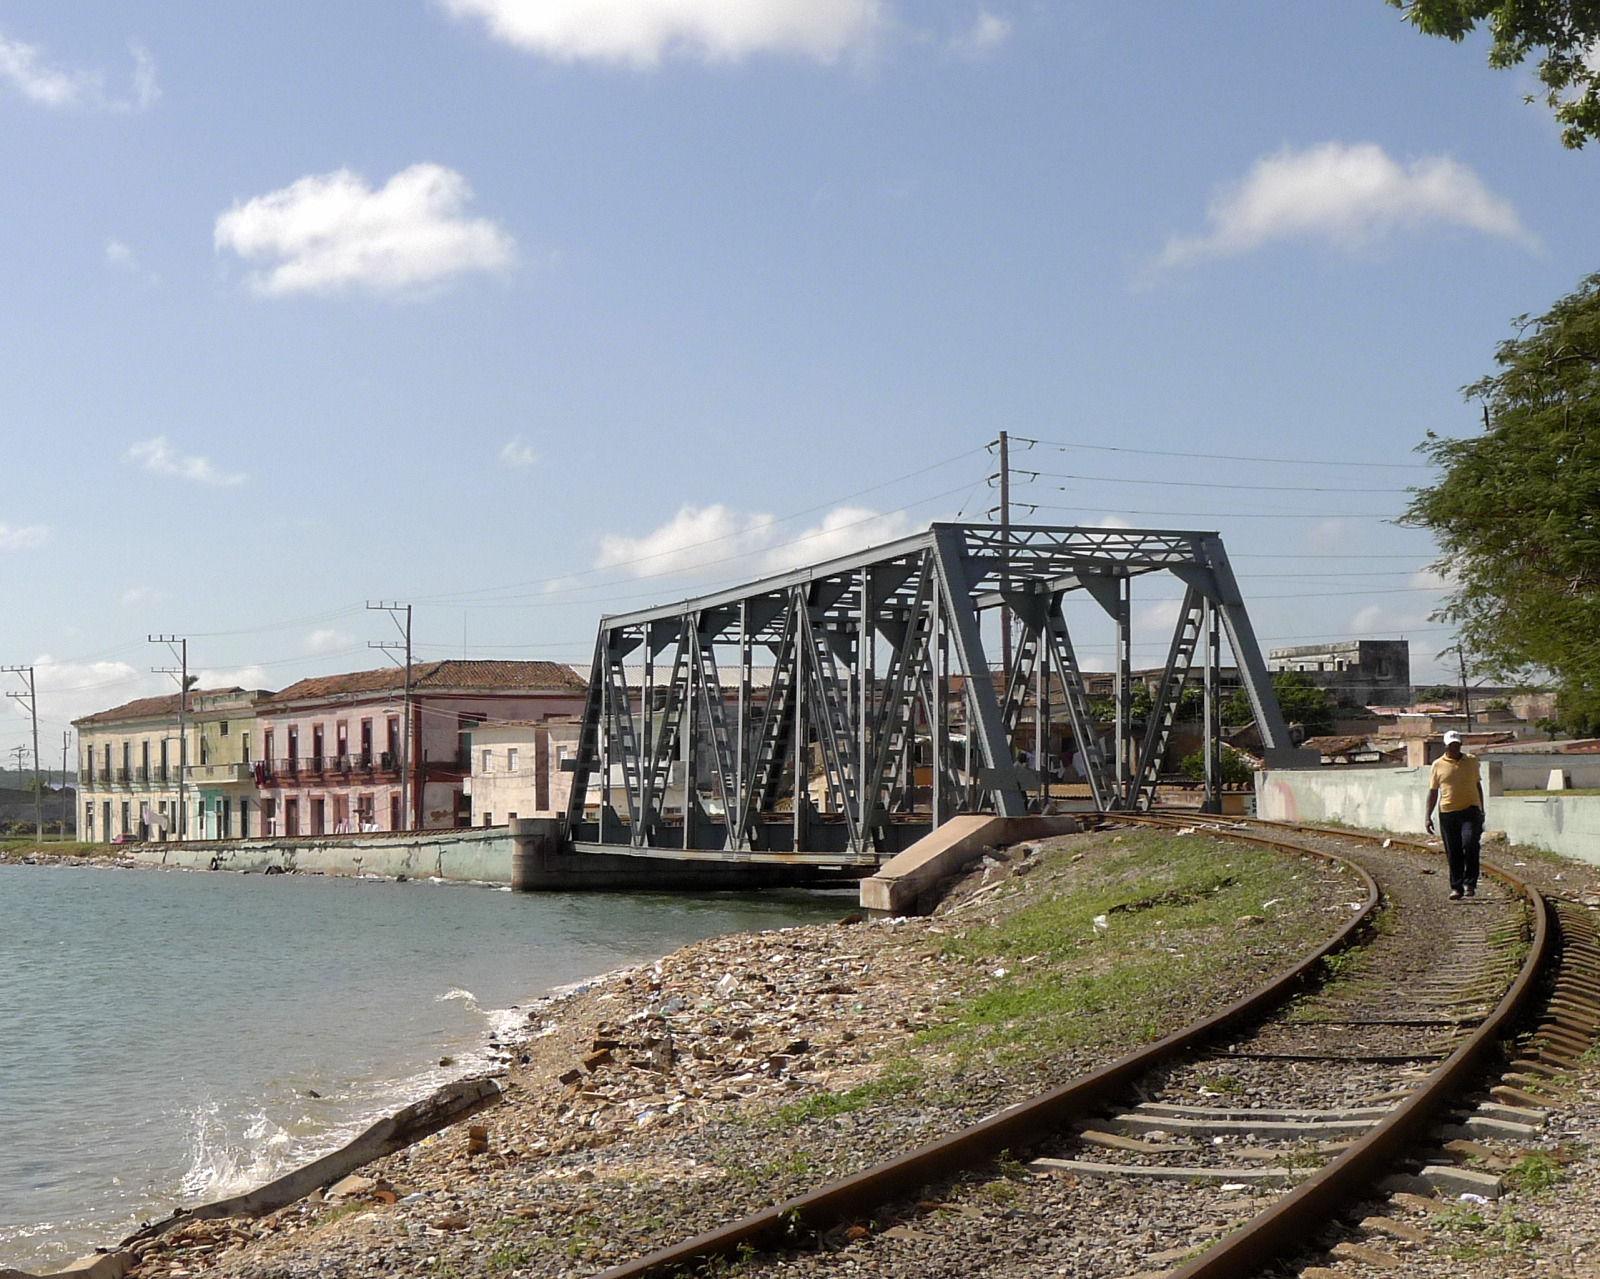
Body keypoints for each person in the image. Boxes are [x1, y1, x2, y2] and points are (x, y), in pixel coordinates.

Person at [1424, 730, 1483, 900]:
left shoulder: (1471, 761)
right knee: (1453, 851)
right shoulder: (1438, 765)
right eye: (1451, 745)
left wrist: (1482, 808)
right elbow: (1433, 792)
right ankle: (1456, 887)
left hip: (1470, 810)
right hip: (1448, 813)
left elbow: (1477, 785)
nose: (1454, 748)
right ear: (1446, 746)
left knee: (1470, 842)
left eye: (1457, 745)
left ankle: (1470, 882)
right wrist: (1428, 816)